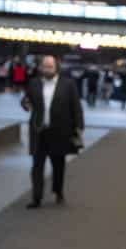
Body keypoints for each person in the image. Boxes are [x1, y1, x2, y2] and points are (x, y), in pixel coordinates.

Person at [20, 53, 82, 208]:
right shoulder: (34, 83)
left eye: (50, 67)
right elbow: (26, 101)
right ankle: (36, 197)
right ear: (41, 67)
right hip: (39, 130)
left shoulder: (68, 84)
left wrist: (79, 126)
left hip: (60, 131)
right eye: (45, 66)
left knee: (58, 165)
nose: (47, 69)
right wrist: (25, 104)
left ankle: (58, 191)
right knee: (37, 166)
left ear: (56, 68)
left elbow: (76, 106)